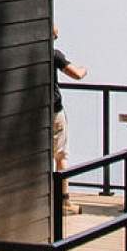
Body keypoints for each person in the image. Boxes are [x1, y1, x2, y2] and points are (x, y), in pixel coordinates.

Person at [51, 23, 87, 177]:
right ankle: (64, 198)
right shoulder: (54, 55)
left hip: (34, 112)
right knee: (61, 155)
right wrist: (84, 69)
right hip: (54, 111)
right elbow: (77, 74)